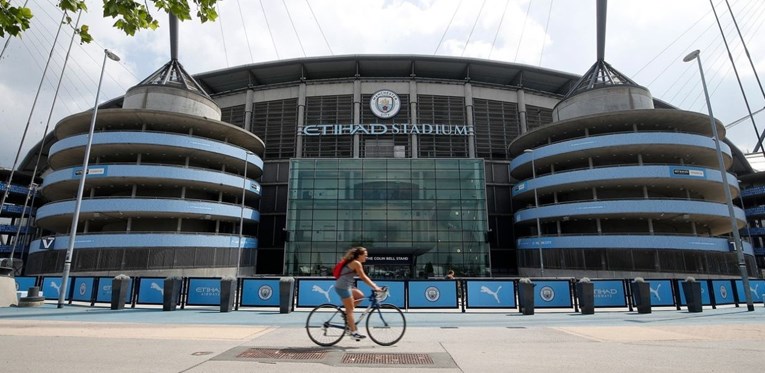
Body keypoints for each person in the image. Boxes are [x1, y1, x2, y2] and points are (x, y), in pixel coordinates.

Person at [334, 246, 381, 341]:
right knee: (351, 310)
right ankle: (354, 332)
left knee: (360, 296)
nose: (366, 257)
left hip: (347, 286)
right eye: (365, 255)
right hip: (343, 287)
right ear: (359, 256)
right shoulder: (356, 263)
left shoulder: (355, 262)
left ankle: (347, 315)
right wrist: (375, 287)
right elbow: (363, 277)